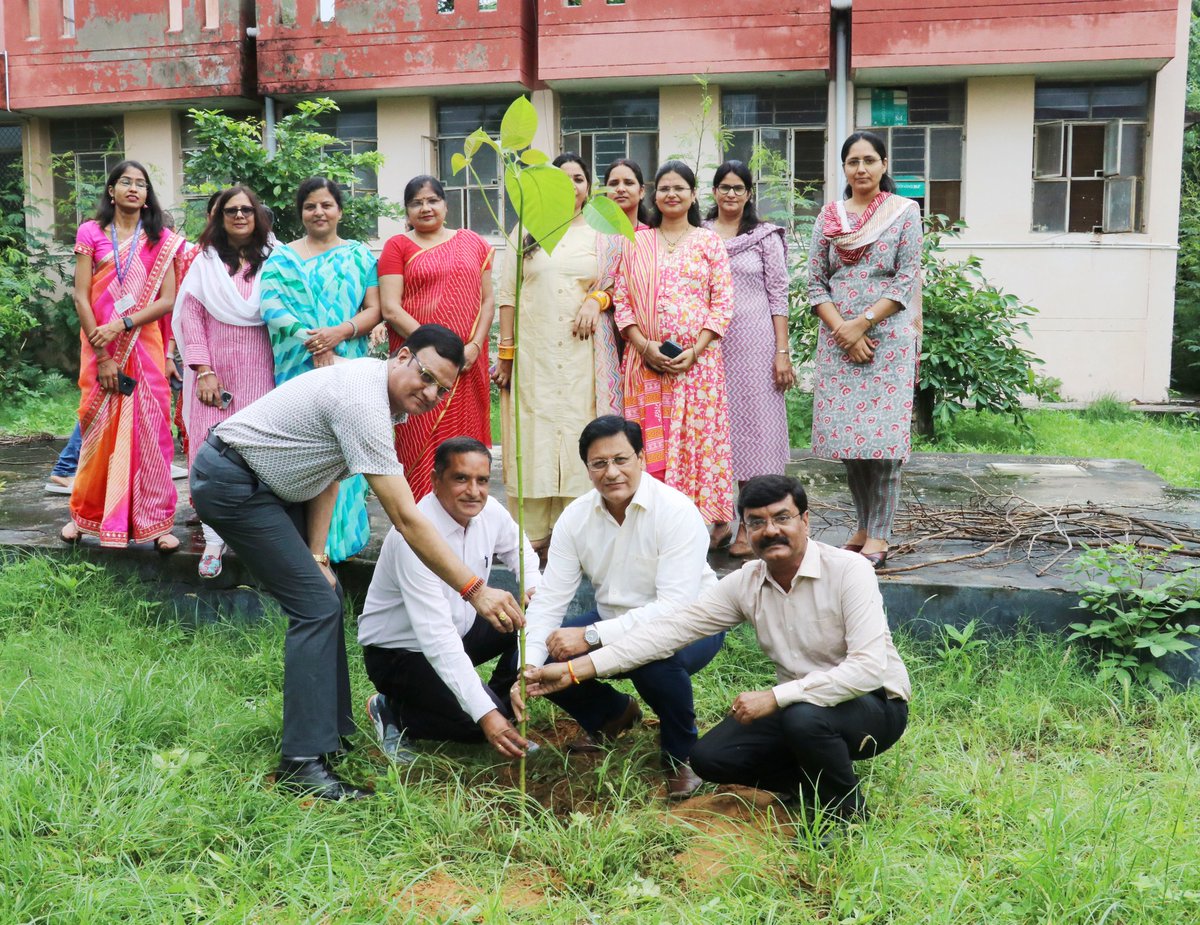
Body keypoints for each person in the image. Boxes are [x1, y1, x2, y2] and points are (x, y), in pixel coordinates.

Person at [190, 324, 527, 801]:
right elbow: (405, 518)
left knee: (324, 596)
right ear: (402, 356)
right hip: (233, 481)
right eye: (425, 376)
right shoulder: (362, 400)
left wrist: (317, 552)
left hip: (272, 484)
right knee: (315, 608)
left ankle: (329, 736)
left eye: (441, 389)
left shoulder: (380, 397)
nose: (430, 393)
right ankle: (302, 764)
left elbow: (329, 470)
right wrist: (474, 588)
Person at [525, 474, 911, 825]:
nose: (771, 530)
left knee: (803, 719)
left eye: (782, 518)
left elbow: (867, 669)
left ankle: (846, 812)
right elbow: (666, 633)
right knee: (711, 758)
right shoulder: (746, 583)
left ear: (805, 521)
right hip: (799, 705)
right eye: (757, 522)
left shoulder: (849, 570)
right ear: (745, 529)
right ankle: (813, 784)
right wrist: (575, 670)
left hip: (873, 703)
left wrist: (776, 697)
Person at [513, 415, 722, 799]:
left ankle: (682, 754)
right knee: (541, 654)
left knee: (652, 659)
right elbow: (549, 599)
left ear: (641, 458)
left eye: (621, 459)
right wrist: (528, 665)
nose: (611, 472)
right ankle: (611, 715)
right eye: (599, 463)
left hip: (692, 624)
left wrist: (592, 636)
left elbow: (674, 608)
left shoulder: (676, 511)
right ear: (587, 468)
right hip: (613, 618)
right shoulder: (576, 517)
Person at [358, 437, 539, 763]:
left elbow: (519, 548)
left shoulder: (489, 511)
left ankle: (497, 703)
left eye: (482, 480)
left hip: (462, 633)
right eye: (461, 479)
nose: (474, 491)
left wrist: (533, 587)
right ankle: (391, 709)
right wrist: (485, 715)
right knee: (477, 725)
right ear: (435, 480)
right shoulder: (412, 537)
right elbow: (436, 637)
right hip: (402, 655)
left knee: (531, 618)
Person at [493, 154, 625, 557]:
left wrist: (596, 300)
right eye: (561, 179)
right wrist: (506, 353)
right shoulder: (527, 229)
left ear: (589, 187)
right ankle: (532, 533)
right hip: (534, 354)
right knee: (533, 433)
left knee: (579, 428)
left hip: (584, 354)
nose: (571, 186)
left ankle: (576, 530)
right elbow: (507, 294)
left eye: (578, 179)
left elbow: (620, 285)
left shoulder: (605, 235)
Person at [809, 132, 923, 569]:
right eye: (853, 161)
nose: (861, 168)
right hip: (838, 340)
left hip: (887, 341)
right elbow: (815, 282)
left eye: (869, 160)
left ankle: (880, 534)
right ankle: (861, 526)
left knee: (885, 444)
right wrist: (843, 330)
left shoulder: (904, 212)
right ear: (843, 168)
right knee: (851, 443)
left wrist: (862, 324)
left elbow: (906, 277)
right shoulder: (829, 217)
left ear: (884, 164)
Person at [61, 160, 185, 550]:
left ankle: (157, 523)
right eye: (125, 182)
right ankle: (84, 517)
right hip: (99, 345)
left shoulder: (162, 240)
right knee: (98, 428)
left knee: (152, 429)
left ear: (147, 196)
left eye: (141, 184)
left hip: (142, 346)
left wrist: (123, 323)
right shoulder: (91, 232)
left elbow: (167, 300)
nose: (133, 188)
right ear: (111, 191)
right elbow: (81, 297)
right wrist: (102, 354)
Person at [259, 177, 382, 562]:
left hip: (346, 365)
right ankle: (302, 546)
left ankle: (341, 542)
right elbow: (271, 307)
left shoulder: (360, 256)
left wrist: (338, 333)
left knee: (345, 448)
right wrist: (313, 340)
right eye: (310, 206)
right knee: (304, 452)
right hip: (299, 368)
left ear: (339, 211)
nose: (319, 212)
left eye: (326, 205)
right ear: (301, 213)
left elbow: (374, 309)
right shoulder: (282, 259)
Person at [612, 160, 735, 526]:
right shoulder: (637, 242)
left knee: (694, 445)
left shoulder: (708, 241)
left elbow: (723, 304)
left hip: (697, 368)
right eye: (664, 188)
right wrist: (643, 345)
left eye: (679, 187)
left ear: (693, 194)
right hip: (645, 364)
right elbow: (622, 301)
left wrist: (695, 351)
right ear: (654, 195)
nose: (671, 194)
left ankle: (693, 525)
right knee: (649, 446)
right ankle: (650, 524)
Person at [174, 186, 276, 579]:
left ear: (256, 214)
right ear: (220, 217)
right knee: (209, 454)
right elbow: (191, 316)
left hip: (262, 372)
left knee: (258, 453)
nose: (239, 216)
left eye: (246, 209)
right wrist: (203, 370)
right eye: (231, 210)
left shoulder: (276, 257)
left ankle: (255, 537)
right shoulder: (206, 261)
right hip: (213, 377)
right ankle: (214, 540)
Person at [380, 175, 495, 501]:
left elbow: (488, 301)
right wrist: (437, 353)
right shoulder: (397, 246)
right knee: (417, 443)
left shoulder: (473, 242)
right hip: (419, 368)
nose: (425, 208)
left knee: (464, 447)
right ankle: (416, 517)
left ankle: (465, 511)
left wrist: (473, 347)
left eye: (432, 200)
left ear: (445, 205)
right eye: (416, 203)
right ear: (407, 211)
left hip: (467, 367)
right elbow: (390, 308)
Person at [703, 161, 794, 557]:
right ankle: (719, 518)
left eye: (738, 188)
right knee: (714, 432)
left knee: (754, 436)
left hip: (756, 348)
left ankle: (748, 525)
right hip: (710, 346)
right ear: (714, 191)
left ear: (748, 193)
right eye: (724, 187)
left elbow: (778, 294)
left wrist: (781, 352)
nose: (731, 194)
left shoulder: (763, 236)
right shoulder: (699, 234)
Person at [603, 158, 651, 229]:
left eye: (629, 183)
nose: (620, 189)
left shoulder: (653, 234)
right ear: (605, 192)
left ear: (641, 191)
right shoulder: (593, 233)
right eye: (613, 184)